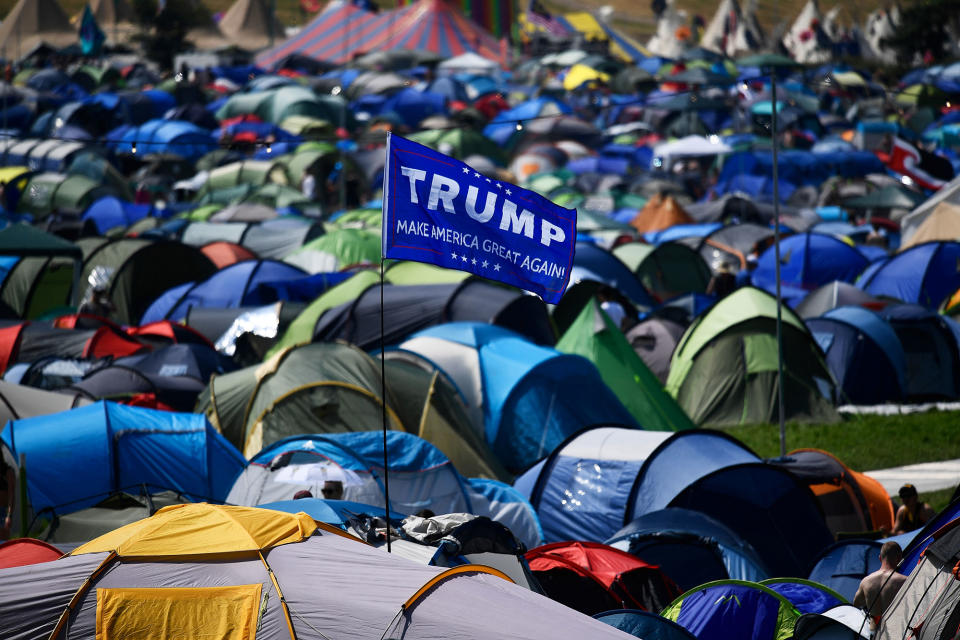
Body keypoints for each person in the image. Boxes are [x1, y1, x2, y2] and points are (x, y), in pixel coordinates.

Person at [853, 541, 907, 623]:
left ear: (880, 558)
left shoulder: (866, 581)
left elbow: (856, 604)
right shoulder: (904, 581)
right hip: (897, 630)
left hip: (875, 632)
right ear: (899, 558)